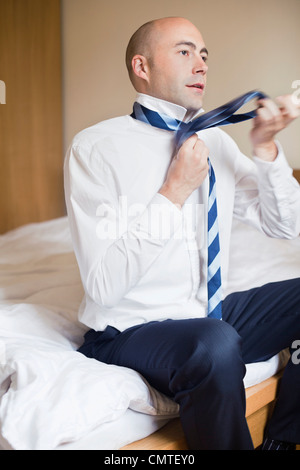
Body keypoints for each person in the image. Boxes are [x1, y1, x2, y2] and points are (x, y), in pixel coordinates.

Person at [64, 17, 300, 450]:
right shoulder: (95, 148)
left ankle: (284, 440)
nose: (202, 65)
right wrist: (173, 191)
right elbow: (103, 285)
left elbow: (286, 225)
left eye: (205, 55)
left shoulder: (217, 141)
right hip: (128, 330)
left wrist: (266, 148)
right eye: (185, 51)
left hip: (208, 316)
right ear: (142, 66)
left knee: (221, 333)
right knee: (215, 343)